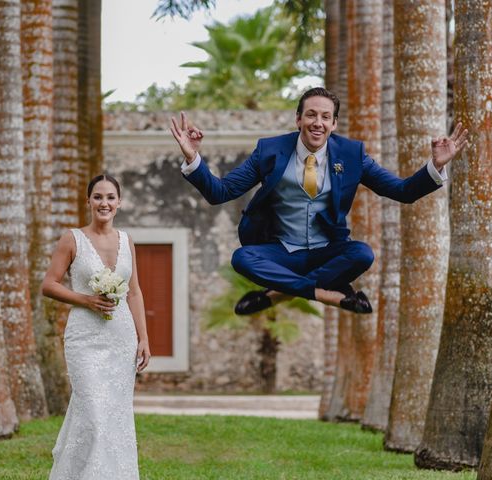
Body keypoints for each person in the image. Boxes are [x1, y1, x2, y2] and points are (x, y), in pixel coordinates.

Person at [170, 87, 468, 315]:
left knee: (362, 254)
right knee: (242, 259)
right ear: (298, 118)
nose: (318, 122)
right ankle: (327, 295)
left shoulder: (352, 155)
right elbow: (220, 192)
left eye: (326, 117)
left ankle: (279, 293)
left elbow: (402, 191)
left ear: (334, 124)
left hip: (327, 252)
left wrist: (436, 166)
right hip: (282, 251)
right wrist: (192, 157)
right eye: (311, 114)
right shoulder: (269, 150)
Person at [41, 174, 150, 479]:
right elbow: (48, 284)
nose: (105, 203)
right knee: (92, 412)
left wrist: (144, 338)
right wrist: (84, 300)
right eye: (98, 197)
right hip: (84, 339)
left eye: (110, 197)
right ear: (88, 201)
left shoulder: (127, 240)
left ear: (119, 203)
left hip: (121, 339)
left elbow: (135, 292)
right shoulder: (72, 239)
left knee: (115, 415)